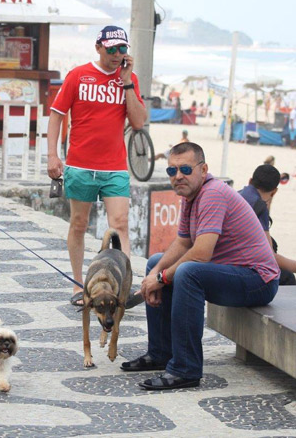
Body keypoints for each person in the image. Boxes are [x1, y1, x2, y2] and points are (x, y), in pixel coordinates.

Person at [126, 142, 279, 390]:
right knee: (156, 261)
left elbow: (201, 253)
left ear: (203, 169)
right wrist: (154, 274)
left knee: (188, 272)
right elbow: (183, 242)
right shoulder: (190, 195)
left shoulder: (213, 193)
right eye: (172, 171)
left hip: (258, 280)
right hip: (232, 271)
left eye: (185, 169)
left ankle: (186, 369)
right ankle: (161, 353)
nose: (178, 176)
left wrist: (162, 280)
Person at [46, 25, 146, 306]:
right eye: (111, 49)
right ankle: (79, 286)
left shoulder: (129, 79)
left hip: (114, 167)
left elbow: (138, 122)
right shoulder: (78, 75)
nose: (117, 55)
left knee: (121, 225)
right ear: (98, 47)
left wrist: (126, 81)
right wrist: (52, 156)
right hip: (80, 165)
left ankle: (124, 288)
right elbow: (56, 115)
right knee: (78, 224)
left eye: (122, 49)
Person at [238, 164, 296, 286]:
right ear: (274, 191)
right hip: (240, 268)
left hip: (220, 260)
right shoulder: (259, 207)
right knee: (287, 277)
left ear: (250, 181)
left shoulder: (236, 195)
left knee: (272, 243)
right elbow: (268, 256)